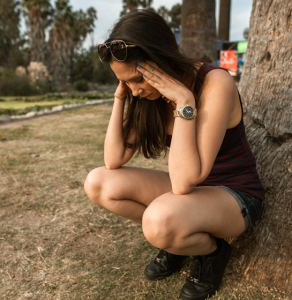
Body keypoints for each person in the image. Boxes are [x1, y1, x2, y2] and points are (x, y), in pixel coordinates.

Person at [84, 10, 264, 300]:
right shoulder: (144, 95)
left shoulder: (215, 83)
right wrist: (120, 97)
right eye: (125, 82)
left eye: (136, 80)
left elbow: (184, 182)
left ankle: (212, 252)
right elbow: (113, 160)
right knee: (98, 182)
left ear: (159, 60)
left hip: (234, 194)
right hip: (191, 193)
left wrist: (184, 100)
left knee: (158, 222)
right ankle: (178, 240)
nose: (135, 90)